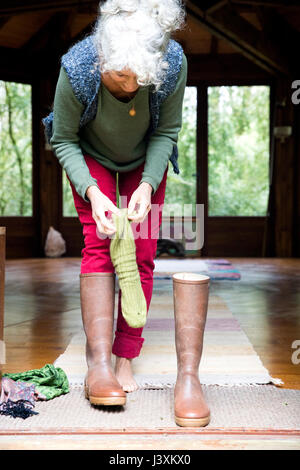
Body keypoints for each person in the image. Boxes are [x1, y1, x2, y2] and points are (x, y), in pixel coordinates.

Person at [46, 0, 187, 406]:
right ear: (104, 57)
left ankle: (125, 356)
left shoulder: (171, 62)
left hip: (146, 155)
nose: (129, 87)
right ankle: (98, 362)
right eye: (120, 75)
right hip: (90, 155)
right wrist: (93, 191)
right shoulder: (77, 67)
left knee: (141, 251)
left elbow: (167, 131)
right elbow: (64, 139)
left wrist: (146, 185)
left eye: (138, 80)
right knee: (99, 245)